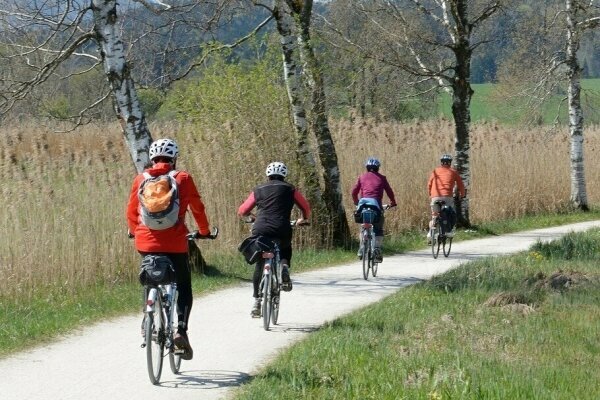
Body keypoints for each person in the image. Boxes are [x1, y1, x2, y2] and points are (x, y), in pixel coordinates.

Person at [126, 138, 212, 360]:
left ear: (152, 158)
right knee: (183, 286)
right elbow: (197, 208)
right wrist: (204, 231)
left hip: (145, 242)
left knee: (150, 277)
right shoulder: (182, 178)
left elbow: (131, 212)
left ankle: (148, 317)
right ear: (174, 159)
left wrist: (135, 231)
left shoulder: (140, 179)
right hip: (175, 243)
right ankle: (181, 330)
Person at [237, 161, 311, 318]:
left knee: (259, 263)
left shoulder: (258, 190)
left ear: (267, 175)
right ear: (284, 176)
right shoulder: (290, 189)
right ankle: (284, 267)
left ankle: (257, 301)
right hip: (282, 228)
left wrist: (253, 217)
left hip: (261, 228)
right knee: (285, 247)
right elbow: (305, 207)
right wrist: (303, 219)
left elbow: (242, 210)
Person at [351, 157, 397, 262]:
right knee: (378, 228)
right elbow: (389, 192)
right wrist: (393, 202)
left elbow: (354, 192)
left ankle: (361, 248)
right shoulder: (382, 178)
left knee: (364, 225)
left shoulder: (361, 177)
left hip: (362, 205)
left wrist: (356, 202)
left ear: (367, 168)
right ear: (377, 168)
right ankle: (376, 249)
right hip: (376, 206)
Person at [427, 153, 465, 242]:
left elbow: (429, 184)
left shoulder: (435, 171)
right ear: (450, 163)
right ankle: (449, 231)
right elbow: (461, 185)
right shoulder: (453, 172)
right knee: (450, 213)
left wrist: (431, 195)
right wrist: (462, 195)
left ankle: (430, 233)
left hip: (435, 196)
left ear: (441, 163)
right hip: (447, 197)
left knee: (434, 216)